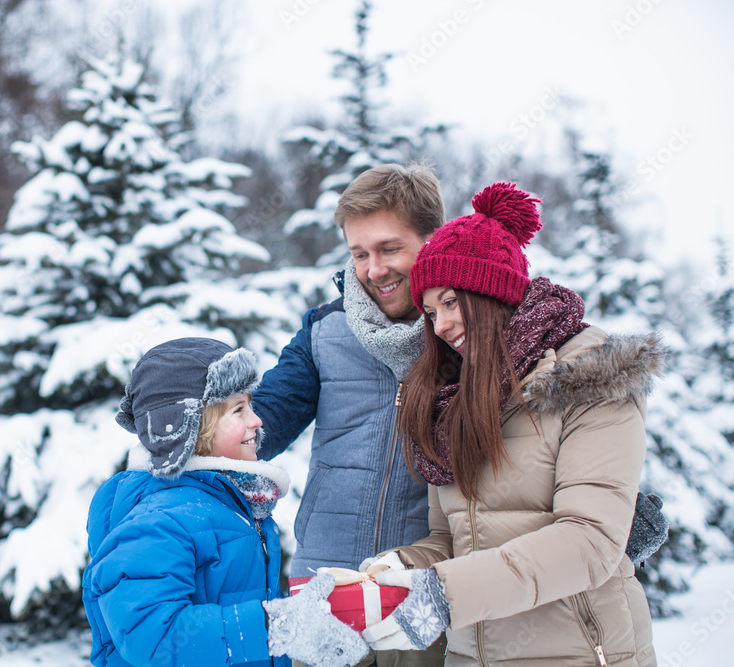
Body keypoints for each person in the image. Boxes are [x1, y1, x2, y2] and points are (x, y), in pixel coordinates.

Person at [359, 182, 662, 665]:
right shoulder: (452, 401)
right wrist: (401, 567)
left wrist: (445, 595)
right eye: (430, 311)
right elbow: (451, 540)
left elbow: (590, 540)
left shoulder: (588, 378)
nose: (439, 326)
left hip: (580, 653)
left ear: (492, 293)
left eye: (452, 301)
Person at [252, 163, 453, 666]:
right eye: (359, 253)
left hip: (425, 587)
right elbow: (262, 421)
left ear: (433, 241)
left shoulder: (462, 332)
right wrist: (194, 435)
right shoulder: (325, 331)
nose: (374, 270)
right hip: (326, 589)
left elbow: (532, 433)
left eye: (390, 249)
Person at [83, 337, 368, 667]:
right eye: (239, 409)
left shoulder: (226, 504)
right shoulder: (161, 519)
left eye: (251, 404)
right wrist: (274, 626)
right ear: (191, 428)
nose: (257, 421)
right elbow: (152, 635)